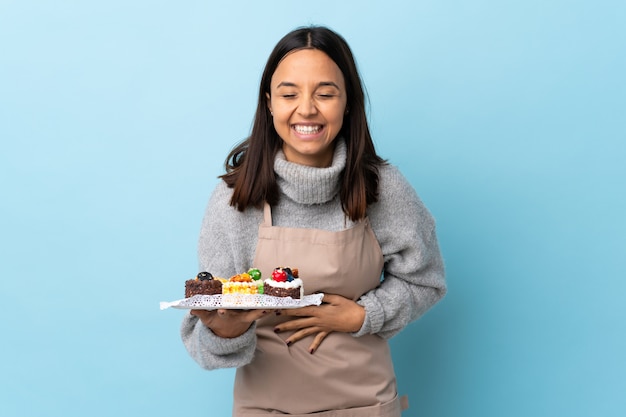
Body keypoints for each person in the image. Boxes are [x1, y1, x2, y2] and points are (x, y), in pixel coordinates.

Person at [180, 25, 446, 417]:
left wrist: (364, 315)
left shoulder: (383, 189)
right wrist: (227, 330)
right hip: (264, 408)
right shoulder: (235, 200)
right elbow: (205, 337)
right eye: (289, 94)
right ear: (269, 103)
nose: (307, 108)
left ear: (348, 103)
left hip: (365, 405)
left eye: (325, 93)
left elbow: (427, 280)